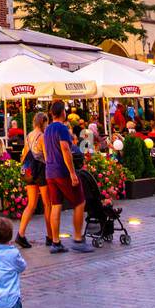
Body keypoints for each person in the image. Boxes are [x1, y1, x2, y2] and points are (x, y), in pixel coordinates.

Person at [44, 100, 93, 254]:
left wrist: (49, 164)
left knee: (56, 205)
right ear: (63, 113)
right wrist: (72, 173)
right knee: (79, 201)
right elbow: (66, 149)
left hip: (50, 171)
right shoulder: (62, 128)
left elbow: (45, 151)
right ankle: (78, 239)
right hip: (62, 171)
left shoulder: (47, 130)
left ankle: (56, 242)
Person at [16, 111, 54, 249]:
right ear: (43, 122)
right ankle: (50, 236)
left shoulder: (28, 136)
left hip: (29, 172)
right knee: (47, 204)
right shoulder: (42, 137)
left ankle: (20, 234)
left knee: (31, 204)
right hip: (41, 172)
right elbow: (47, 157)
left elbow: (24, 155)